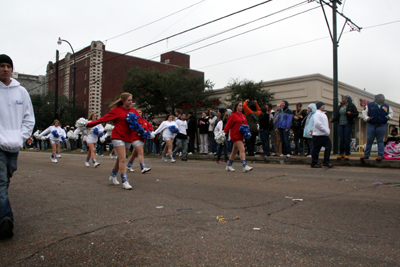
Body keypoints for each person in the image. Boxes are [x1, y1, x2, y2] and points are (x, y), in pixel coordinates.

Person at [0, 54, 35, 239]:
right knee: (1, 181)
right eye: (2, 65)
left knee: (6, 179)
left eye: (8, 66)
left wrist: (21, 138)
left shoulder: (21, 91)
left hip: (14, 145)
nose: (5, 68)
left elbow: (29, 118)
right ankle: (6, 219)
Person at [86, 92, 143, 190]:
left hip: (128, 137)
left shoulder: (134, 111)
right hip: (117, 136)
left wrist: (146, 130)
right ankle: (125, 180)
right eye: (129, 100)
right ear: (123, 101)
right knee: (122, 158)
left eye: (131, 100)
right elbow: (103, 119)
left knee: (120, 158)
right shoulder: (116, 110)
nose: (131, 102)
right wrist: (88, 124)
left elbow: (140, 122)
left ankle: (113, 175)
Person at [361, 94, 394, 161]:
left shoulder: (386, 106)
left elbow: (391, 113)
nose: (384, 99)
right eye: (382, 98)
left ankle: (380, 155)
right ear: (377, 98)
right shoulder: (369, 105)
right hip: (371, 125)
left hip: (382, 125)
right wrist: (367, 118)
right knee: (369, 140)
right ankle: (366, 155)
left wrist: (387, 117)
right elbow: (364, 113)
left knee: (380, 140)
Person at [224, 102, 253, 172]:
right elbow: (228, 125)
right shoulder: (233, 116)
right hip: (235, 135)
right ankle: (244, 165)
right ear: (236, 107)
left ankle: (229, 165)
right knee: (242, 149)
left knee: (234, 151)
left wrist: (247, 131)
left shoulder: (243, 115)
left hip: (241, 135)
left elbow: (246, 124)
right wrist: (224, 133)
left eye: (241, 106)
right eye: (240, 106)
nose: (241, 107)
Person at [330, 95, 359, 160]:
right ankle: (341, 153)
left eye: (343, 98)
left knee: (347, 139)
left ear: (347, 99)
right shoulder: (340, 107)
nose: (342, 99)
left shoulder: (351, 106)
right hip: (340, 124)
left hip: (347, 124)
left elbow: (356, 114)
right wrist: (333, 120)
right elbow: (337, 115)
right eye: (342, 98)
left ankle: (347, 153)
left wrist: (350, 113)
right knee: (341, 139)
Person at [126, 109, 152, 173]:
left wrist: (147, 131)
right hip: (135, 138)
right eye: (137, 112)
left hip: (142, 139)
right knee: (141, 153)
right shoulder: (134, 120)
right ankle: (143, 167)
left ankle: (129, 166)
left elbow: (150, 127)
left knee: (134, 154)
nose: (139, 113)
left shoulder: (145, 121)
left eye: (140, 112)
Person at [311, 102, 333, 168]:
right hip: (318, 135)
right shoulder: (317, 114)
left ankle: (326, 162)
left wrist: (327, 130)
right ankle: (314, 163)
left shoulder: (323, 114)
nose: (324, 106)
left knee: (328, 147)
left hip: (324, 135)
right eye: (323, 105)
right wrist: (325, 130)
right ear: (321, 106)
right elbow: (318, 124)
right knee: (316, 150)